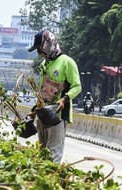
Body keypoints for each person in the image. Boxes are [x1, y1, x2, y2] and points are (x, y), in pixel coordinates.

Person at [28, 30, 81, 162]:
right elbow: (42, 91)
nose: (38, 53)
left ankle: (50, 179)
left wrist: (64, 99)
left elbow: (77, 86)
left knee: (53, 153)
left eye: (40, 49)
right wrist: (35, 110)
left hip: (58, 114)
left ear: (47, 45)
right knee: (43, 152)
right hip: (43, 113)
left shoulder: (67, 62)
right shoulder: (44, 65)